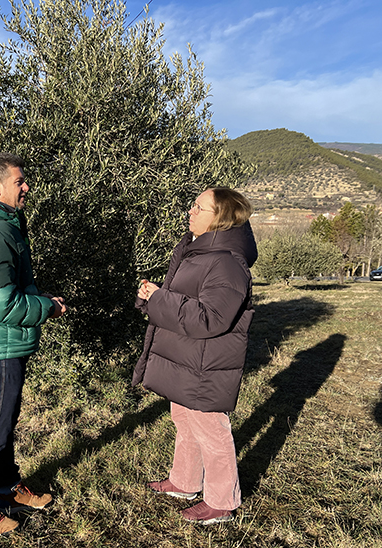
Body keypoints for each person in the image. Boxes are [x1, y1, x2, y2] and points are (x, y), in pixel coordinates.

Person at [0, 153, 67, 536]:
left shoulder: (2, 225)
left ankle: (6, 489)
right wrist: (46, 308)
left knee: (3, 422)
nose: (26, 187)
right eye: (19, 182)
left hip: (3, 344)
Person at [133, 187, 257, 525]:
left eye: (199, 207)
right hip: (188, 358)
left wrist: (161, 298)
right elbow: (181, 300)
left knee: (211, 430)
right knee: (185, 422)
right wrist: (153, 297)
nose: (190, 211)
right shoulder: (196, 252)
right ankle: (184, 483)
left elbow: (211, 318)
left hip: (206, 362)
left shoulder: (227, 262)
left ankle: (222, 501)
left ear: (220, 218)